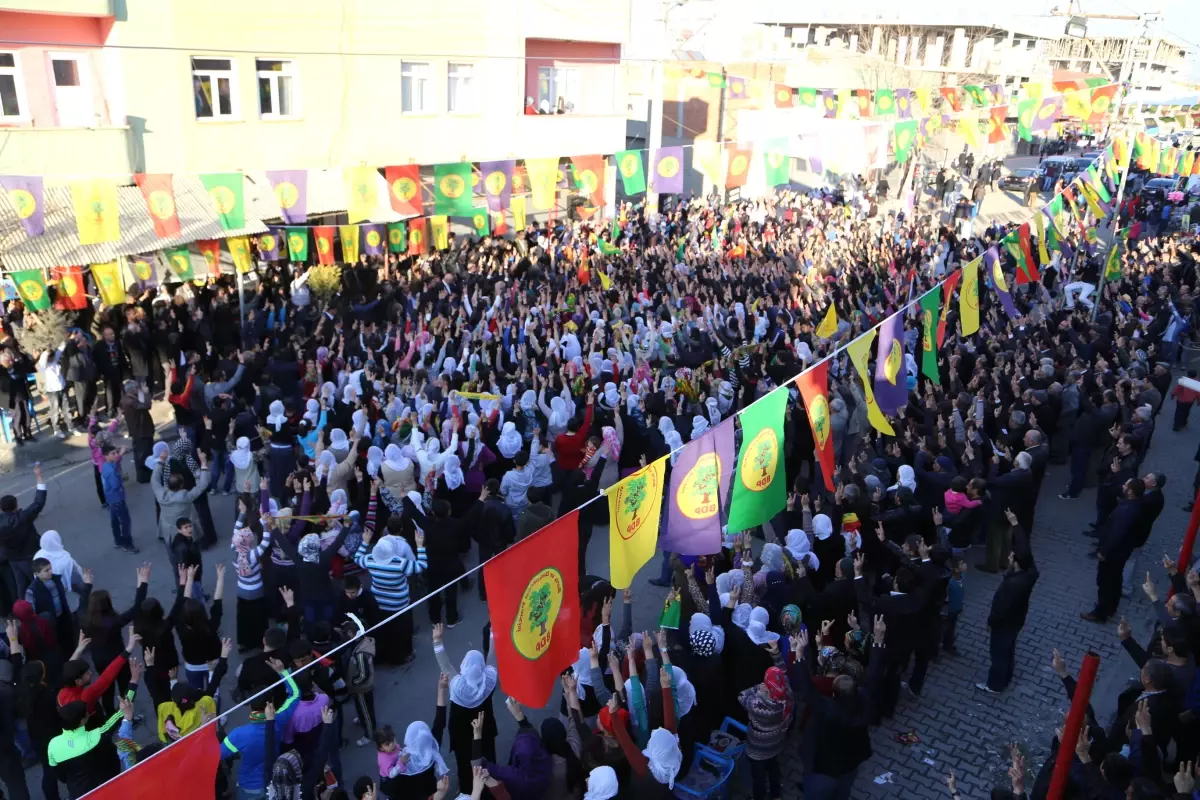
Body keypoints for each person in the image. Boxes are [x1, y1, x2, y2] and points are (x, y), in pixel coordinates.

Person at [976, 511, 1039, 694]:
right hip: (1017, 619)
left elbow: (1000, 608)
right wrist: (1015, 524)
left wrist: (991, 622)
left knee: (999, 653)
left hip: (1004, 623)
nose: (1010, 557)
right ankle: (1007, 675)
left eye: (1012, 556)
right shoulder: (1031, 573)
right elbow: (1025, 548)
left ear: (1016, 562)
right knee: (1009, 648)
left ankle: (995, 684)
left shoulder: (1011, 585)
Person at [0, 463, 47, 609]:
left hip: (13, 559)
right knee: (37, 582)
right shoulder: (23, 517)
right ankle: (42, 605)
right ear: (16, 505)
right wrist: (39, 476)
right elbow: (39, 501)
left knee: (21, 585)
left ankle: (23, 609)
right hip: (30, 555)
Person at [150, 448, 211, 544]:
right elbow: (202, 485)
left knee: (172, 551)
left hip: (168, 529)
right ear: (182, 485)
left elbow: (154, 480)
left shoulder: (161, 495)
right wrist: (203, 463)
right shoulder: (186, 496)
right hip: (185, 530)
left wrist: (161, 460)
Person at [100, 445, 138, 553]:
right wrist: (121, 477)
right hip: (117, 498)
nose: (116, 455)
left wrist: (120, 455)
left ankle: (118, 540)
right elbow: (116, 484)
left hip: (111, 499)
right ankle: (127, 543)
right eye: (113, 453)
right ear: (106, 456)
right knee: (125, 521)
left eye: (116, 452)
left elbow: (115, 463)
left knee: (115, 520)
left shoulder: (107, 465)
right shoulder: (112, 471)